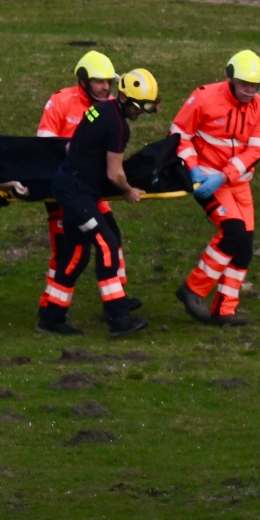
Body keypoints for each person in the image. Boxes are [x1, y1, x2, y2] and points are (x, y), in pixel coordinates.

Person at [38, 68, 161, 337]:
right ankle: (118, 317)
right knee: (107, 245)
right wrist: (129, 190)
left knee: (76, 254)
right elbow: (114, 173)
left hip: (70, 185)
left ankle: (52, 315)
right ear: (126, 98)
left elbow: (74, 145)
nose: (140, 112)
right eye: (139, 107)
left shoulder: (101, 109)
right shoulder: (118, 126)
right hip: (77, 192)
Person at [170, 50, 260, 326]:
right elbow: (179, 135)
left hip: (236, 182)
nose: (249, 92)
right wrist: (192, 168)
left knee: (245, 245)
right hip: (206, 178)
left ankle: (225, 310)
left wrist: (225, 175)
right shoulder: (204, 98)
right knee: (233, 232)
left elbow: (255, 152)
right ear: (230, 79)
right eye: (244, 85)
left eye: (255, 87)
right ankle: (194, 289)